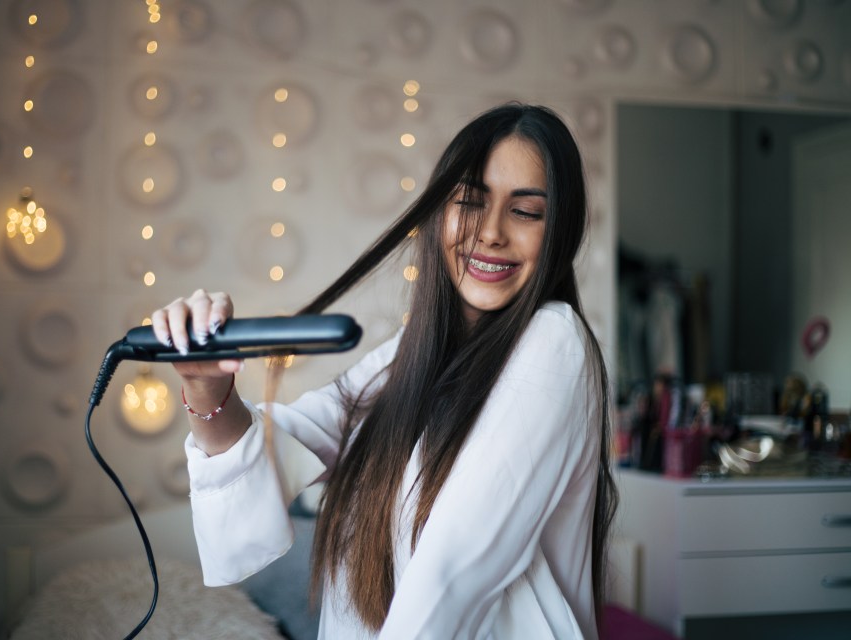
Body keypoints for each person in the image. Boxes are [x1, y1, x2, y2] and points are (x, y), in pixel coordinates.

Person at [150, 103, 617, 639]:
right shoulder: (410, 356)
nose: (489, 232)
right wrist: (204, 384)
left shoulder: (555, 342)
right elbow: (282, 447)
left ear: (559, 231)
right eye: (469, 201)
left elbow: (453, 571)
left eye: (526, 212)